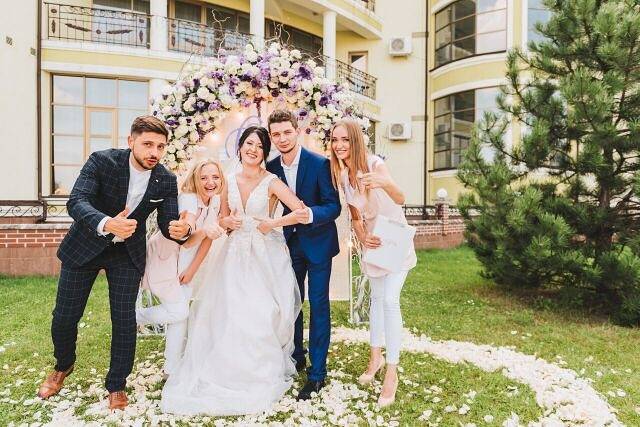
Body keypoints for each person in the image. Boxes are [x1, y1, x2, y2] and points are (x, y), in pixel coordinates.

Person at [37, 116, 191, 410]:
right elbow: (76, 201)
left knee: (124, 320)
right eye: (147, 144)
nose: (154, 152)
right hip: (85, 245)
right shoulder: (102, 161)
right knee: (65, 317)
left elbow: (169, 222)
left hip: (126, 254)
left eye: (160, 146)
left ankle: (117, 384)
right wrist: (107, 223)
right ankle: (63, 365)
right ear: (131, 141)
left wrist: (182, 230)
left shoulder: (166, 179)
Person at [160, 126, 308, 416]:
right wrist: (226, 223)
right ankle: (226, 367)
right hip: (235, 253)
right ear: (240, 147)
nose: (253, 149)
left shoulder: (272, 181)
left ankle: (259, 369)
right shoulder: (227, 180)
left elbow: (301, 212)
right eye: (249, 143)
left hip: (266, 254)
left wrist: (272, 223)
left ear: (265, 152)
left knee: (262, 311)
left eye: (259, 146)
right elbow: (224, 219)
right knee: (230, 309)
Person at [329, 119, 416, 408]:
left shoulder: (376, 164)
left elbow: (400, 198)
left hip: (394, 239)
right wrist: (363, 236)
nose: (339, 145)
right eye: (335, 140)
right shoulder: (343, 176)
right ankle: (375, 358)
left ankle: (392, 371)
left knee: (390, 300)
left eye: (345, 139)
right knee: (376, 300)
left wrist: (384, 182)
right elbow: (355, 216)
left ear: (356, 141)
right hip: (373, 243)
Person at [266, 109, 342, 400]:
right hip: (288, 246)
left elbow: (333, 206)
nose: (282, 138)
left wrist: (308, 214)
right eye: (276, 134)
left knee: (318, 305)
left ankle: (317, 373)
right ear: (271, 137)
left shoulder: (320, 164)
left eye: (287, 132)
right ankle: (296, 356)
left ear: (297, 131)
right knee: (291, 303)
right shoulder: (270, 168)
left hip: (319, 244)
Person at [136, 158, 226, 378]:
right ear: (195, 179)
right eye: (204, 178)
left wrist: (192, 270)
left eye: (215, 177)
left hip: (186, 263)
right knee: (179, 312)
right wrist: (197, 228)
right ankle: (133, 317)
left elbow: (206, 242)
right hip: (166, 259)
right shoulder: (188, 199)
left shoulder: (214, 201)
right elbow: (187, 234)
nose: (210, 182)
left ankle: (171, 368)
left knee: (180, 317)